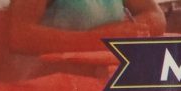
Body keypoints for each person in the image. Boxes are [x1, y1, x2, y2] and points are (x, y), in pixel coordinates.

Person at [9, 0, 166, 54]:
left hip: (101, 81)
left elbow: (156, 16)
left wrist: (126, 30)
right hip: (46, 84)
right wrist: (95, 40)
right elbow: (19, 35)